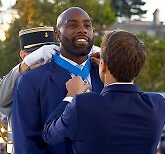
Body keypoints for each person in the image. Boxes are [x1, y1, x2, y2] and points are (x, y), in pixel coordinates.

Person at [42, 30, 165, 154]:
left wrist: (71, 95)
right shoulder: (157, 105)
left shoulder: (83, 104)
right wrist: (110, 67)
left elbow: (50, 135)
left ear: (103, 65)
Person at [12, 7, 103, 154]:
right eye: (73, 25)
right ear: (58, 35)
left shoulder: (106, 76)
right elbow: (27, 144)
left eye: (87, 25)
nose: (82, 30)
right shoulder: (31, 82)